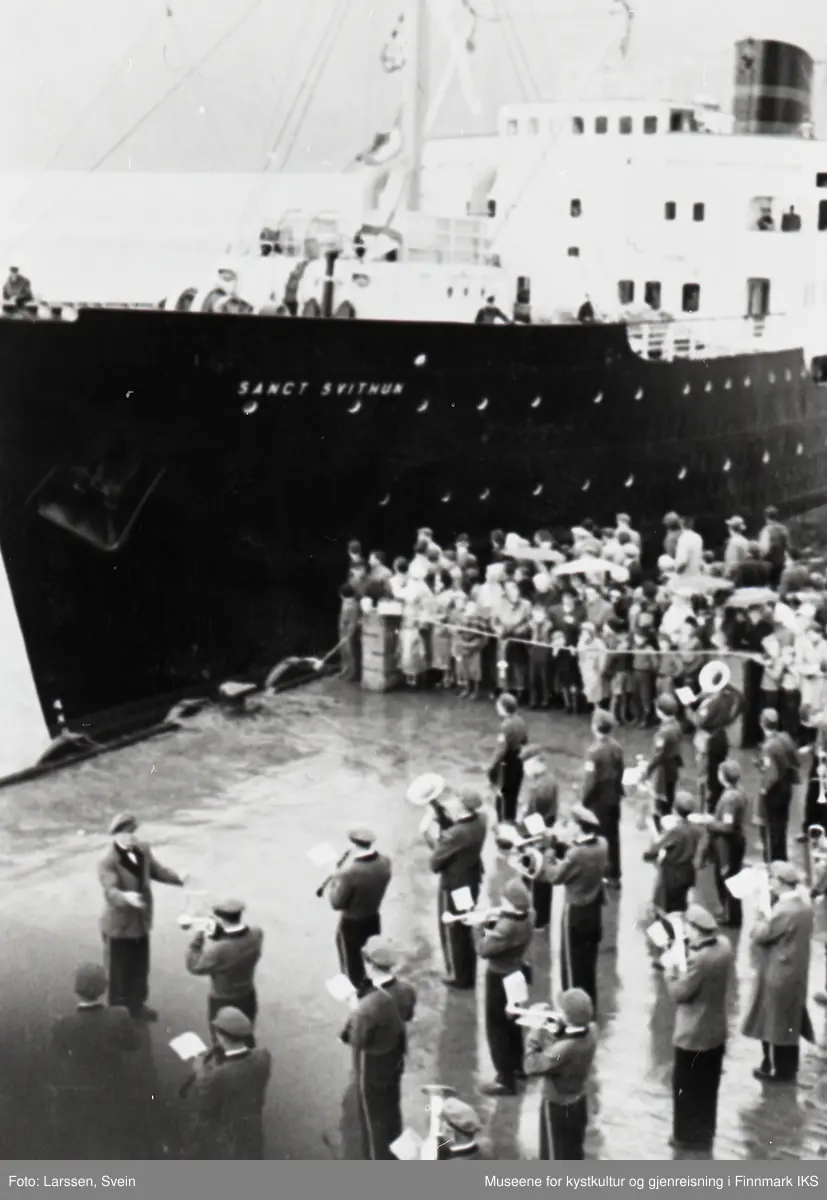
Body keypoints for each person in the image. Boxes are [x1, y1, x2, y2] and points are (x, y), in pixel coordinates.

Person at [98, 812, 185, 1020]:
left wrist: (179, 878)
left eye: (133, 832)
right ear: (116, 835)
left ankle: (137, 1005)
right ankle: (118, 1014)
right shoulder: (107, 861)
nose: (131, 837)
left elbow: (157, 871)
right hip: (118, 926)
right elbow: (110, 891)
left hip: (141, 922)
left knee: (140, 967)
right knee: (118, 973)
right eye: (126, 834)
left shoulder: (143, 850)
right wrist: (125, 897)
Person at [50, 963, 142, 1156]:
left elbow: (58, 1055)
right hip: (113, 1094)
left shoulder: (63, 1023)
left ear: (76, 989)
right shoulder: (119, 1015)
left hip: (77, 1096)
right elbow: (134, 1044)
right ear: (104, 988)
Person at [665, 904, 734, 1152]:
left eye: (688, 928)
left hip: (692, 1034)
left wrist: (670, 970)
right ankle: (705, 1132)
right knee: (708, 1088)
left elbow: (679, 993)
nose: (686, 932)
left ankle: (684, 1136)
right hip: (715, 1030)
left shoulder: (700, 960)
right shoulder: (724, 946)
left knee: (684, 1088)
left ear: (696, 929)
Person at [742, 861, 815, 1083]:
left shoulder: (784, 910)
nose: (770, 883)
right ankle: (787, 1068)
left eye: (772, 879)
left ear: (780, 882)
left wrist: (760, 915)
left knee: (774, 1023)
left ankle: (776, 1070)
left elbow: (761, 935)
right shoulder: (803, 906)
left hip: (778, 972)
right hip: (795, 971)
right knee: (789, 1022)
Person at [339, 940, 407, 1158]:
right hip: (396, 1053)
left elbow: (355, 1039)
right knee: (392, 1108)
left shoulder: (367, 1005)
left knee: (374, 1116)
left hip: (374, 1062)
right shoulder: (406, 990)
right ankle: (397, 1150)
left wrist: (354, 1007)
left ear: (369, 964)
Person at [542, 806, 608, 1013]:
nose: (569, 826)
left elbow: (554, 876)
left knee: (571, 966)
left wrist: (549, 851)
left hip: (575, 912)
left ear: (579, 827)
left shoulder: (576, 854)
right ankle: (589, 1006)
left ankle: (574, 1012)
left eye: (572, 823)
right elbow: (581, 854)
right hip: (594, 909)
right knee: (588, 963)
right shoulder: (602, 844)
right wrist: (566, 844)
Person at [184, 1007, 272, 1158]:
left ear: (221, 1038)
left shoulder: (218, 1076)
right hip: (254, 1127)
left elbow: (204, 1097)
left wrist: (200, 1069)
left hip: (229, 1136)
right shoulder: (264, 1057)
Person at [474, 877, 534, 1096]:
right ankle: (518, 1067)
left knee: (496, 1028)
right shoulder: (527, 918)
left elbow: (483, 949)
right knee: (513, 1024)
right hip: (517, 973)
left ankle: (504, 1079)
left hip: (499, 977)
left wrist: (478, 927)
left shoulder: (507, 927)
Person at [524, 988, 597, 1160]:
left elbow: (531, 1065)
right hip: (578, 1103)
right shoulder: (593, 1030)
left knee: (553, 1156)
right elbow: (572, 1032)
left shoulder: (560, 1053)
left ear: (567, 1017)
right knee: (573, 1153)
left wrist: (535, 1031)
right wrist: (557, 1026)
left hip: (557, 1108)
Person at [427, 787, 487, 989]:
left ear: (461, 805)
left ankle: (457, 974)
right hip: (471, 879)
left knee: (452, 931)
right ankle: (467, 971)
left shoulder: (456, 833)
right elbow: (459, 834)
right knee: (465, 925)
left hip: (454, 884)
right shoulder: (481, 821)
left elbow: (435, 862)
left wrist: (428, 833)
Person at [185, 898, 263, 1035]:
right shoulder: (257, 935)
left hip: (223, 1001)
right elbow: (238, 939)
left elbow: (194, 965)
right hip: (248, 997)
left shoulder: (219, 950)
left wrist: (198, 936)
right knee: (246, 1034)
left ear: (220, 920)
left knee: (222, 1039)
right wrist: (219, 932)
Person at [328, 827, 392, 986]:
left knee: (351, 965)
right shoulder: (385, 862)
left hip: (352, 923)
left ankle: (358, 991)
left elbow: (336, 903)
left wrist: (335, 878)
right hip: (373, 917)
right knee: (373, 956)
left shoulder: (349, 873)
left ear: (354, 845)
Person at [581, 709, 624, 887]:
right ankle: (614, 874)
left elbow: (590, 781)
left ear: (595, 727)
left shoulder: (593, 752)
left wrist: (584, 801)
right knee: (613, 836)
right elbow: (620, 771)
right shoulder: (617, 747)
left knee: (598, 837)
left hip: (599, 800)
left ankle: (601, 873)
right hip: (614, 796)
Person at [518, 746, 559, 931]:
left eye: (526, 764)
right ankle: (543, 919)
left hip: (535, 838)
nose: (524, 769)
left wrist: (518, 835)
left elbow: (530, 817)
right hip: (546, 836)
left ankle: (537, 921)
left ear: (536, 762)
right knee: (543, 880)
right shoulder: (549, 780)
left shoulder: (538, 788)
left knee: (534, 878)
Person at [706, 760, 748, 927]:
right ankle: (730, 913)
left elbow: (727, 826)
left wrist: (710, 823)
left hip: (728, 844)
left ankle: (731, 916)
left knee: (727, 878)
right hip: (735, 840)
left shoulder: (730, 798)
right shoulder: (738, 791)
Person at [757, 708, 800, 862]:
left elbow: (771, 774)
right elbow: (796, 761)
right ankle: (782, 857)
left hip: (775, 791)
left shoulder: (768, 747)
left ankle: (774, 860)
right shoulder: (786, 737)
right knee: (782, 824)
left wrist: (764, 790)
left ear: (762, 723)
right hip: (787, 786)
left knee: (772, 827)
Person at [644, 693, 683, 830]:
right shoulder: (677, 725)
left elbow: (658, 755)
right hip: (673, 767)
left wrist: (647, 771)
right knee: (669, 797)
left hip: (663, 770)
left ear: (660, 710)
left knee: (660, 801)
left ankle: (660, 829)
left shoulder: (664, 732)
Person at [487, 691, 528, 824]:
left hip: (506, 763)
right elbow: (525, 740)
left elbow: (501, 750)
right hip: (518, 760)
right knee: (513, 797)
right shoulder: (521, 720)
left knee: (502, 800)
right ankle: (511, 821)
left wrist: (491, 767)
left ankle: (503, 826)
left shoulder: (506, 725)